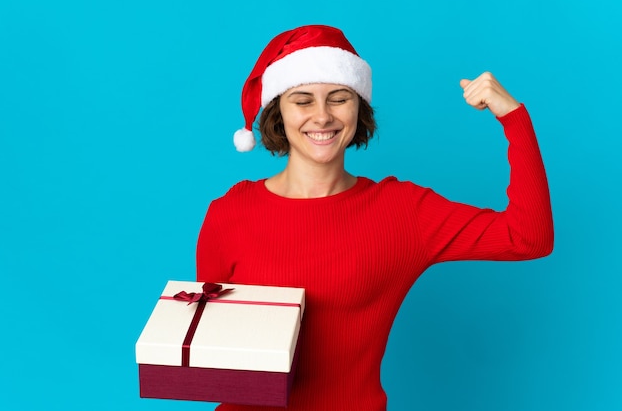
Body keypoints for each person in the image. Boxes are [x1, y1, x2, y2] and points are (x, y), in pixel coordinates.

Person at [196, 24, 554, 411]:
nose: (322, 116)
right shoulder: (229, 212)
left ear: (358, 106)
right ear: (278, 111)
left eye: (338, 98)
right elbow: (211, 349)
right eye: (302, 100)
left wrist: (514, 118)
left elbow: (528, 237)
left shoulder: (402, 211)